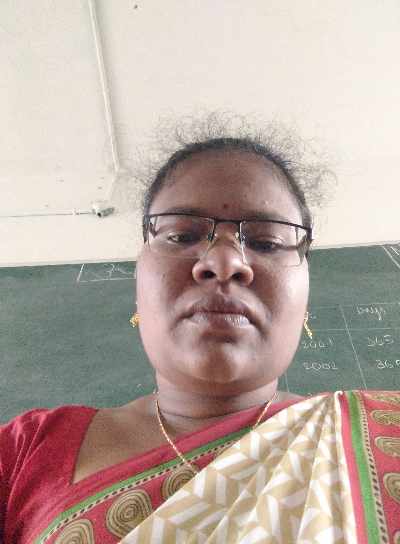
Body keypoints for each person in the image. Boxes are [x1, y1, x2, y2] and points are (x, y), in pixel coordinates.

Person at [1, 118, 399, 543]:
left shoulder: (386, 434)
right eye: (181, 235)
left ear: (304, 296)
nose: (225, 262)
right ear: (139, 286)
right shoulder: (25, 452)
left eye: (266, 242)